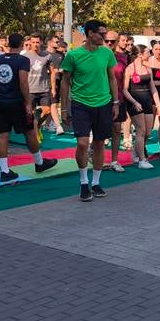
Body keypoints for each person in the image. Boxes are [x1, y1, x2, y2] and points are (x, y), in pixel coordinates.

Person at [60, 20, 119, 202]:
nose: (104, 37)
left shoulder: (107, 53)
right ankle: (84, 182)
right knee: (83, 144)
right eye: (101, 34)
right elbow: (65, 81)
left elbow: (112, 78)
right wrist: (63, 108)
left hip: (103, 103)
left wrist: (115, 102)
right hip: (80, 104)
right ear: (90, 33)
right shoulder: (73, 55)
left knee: (100, 144)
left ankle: (96, 183)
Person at [0, 33, 58, 182]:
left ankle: (4, 171)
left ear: (8, 43)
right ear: (22, 44)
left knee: (2, 136)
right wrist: (27, 102)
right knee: (29, 132)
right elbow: (23, 82)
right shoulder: (23, 60)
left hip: (0, 102)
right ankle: (39, 163)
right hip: (16, 102)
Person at [123, 45, 160, 170]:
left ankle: (136, 152)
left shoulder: (148, 69)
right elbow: (124, 89)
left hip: (147, 102)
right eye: (147, 52)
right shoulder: (129, 68)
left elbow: (153, 88)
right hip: (135, 102)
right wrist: (134, 102)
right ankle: (142, 160)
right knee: (141, 131)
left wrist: (158, 105)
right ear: (140, 55)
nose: (149, 53)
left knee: (147, 132)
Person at [102, 31, 128, 172]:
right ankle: (95, 154)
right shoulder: (97, 56)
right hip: (100, 98)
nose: (110, 43)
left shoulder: (123, 58)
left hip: (117, 98)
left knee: (117, 129)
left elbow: (124, 79)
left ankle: (114, 160)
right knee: (102, 130)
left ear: (117, 42)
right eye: (107, 41)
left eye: (113, 41)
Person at [22, 34, 54, 138]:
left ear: (41, 42)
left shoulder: (47, 56)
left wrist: (53, 88)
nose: (35, 44)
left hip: (43, 89)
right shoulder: (25, 56)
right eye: (33, 42)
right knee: (30, 115)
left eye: (37, 42)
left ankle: (38, 125)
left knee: (47, 111)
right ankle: (35, 136)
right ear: (30, 43)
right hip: (30, 90)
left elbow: (53, 72)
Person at [48, 37, 66, 135]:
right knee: (52, 104)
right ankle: (58, 126)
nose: (58, 43)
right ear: (49, 42)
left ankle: (48, 123)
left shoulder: (61, 55)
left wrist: (59, 70)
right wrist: (49, 71)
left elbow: (65, 67)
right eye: (56, 42)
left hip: (58, 81)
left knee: (51, 105)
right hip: (46, 83)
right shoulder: (44, 54)